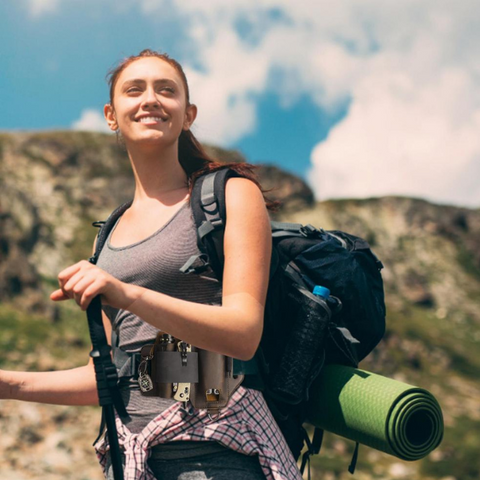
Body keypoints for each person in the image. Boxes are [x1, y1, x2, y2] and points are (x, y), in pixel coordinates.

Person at [0, 49, 303, 480]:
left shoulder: (228, 196)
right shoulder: (108, 234)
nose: (150, 100)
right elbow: (114, 376)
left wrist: (127, 294)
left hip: (215, 455)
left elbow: (242, 335)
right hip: (129, 459)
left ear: (188, 113)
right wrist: (8, 385)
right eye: (134, 89)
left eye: (167, 90)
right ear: (111, 115)